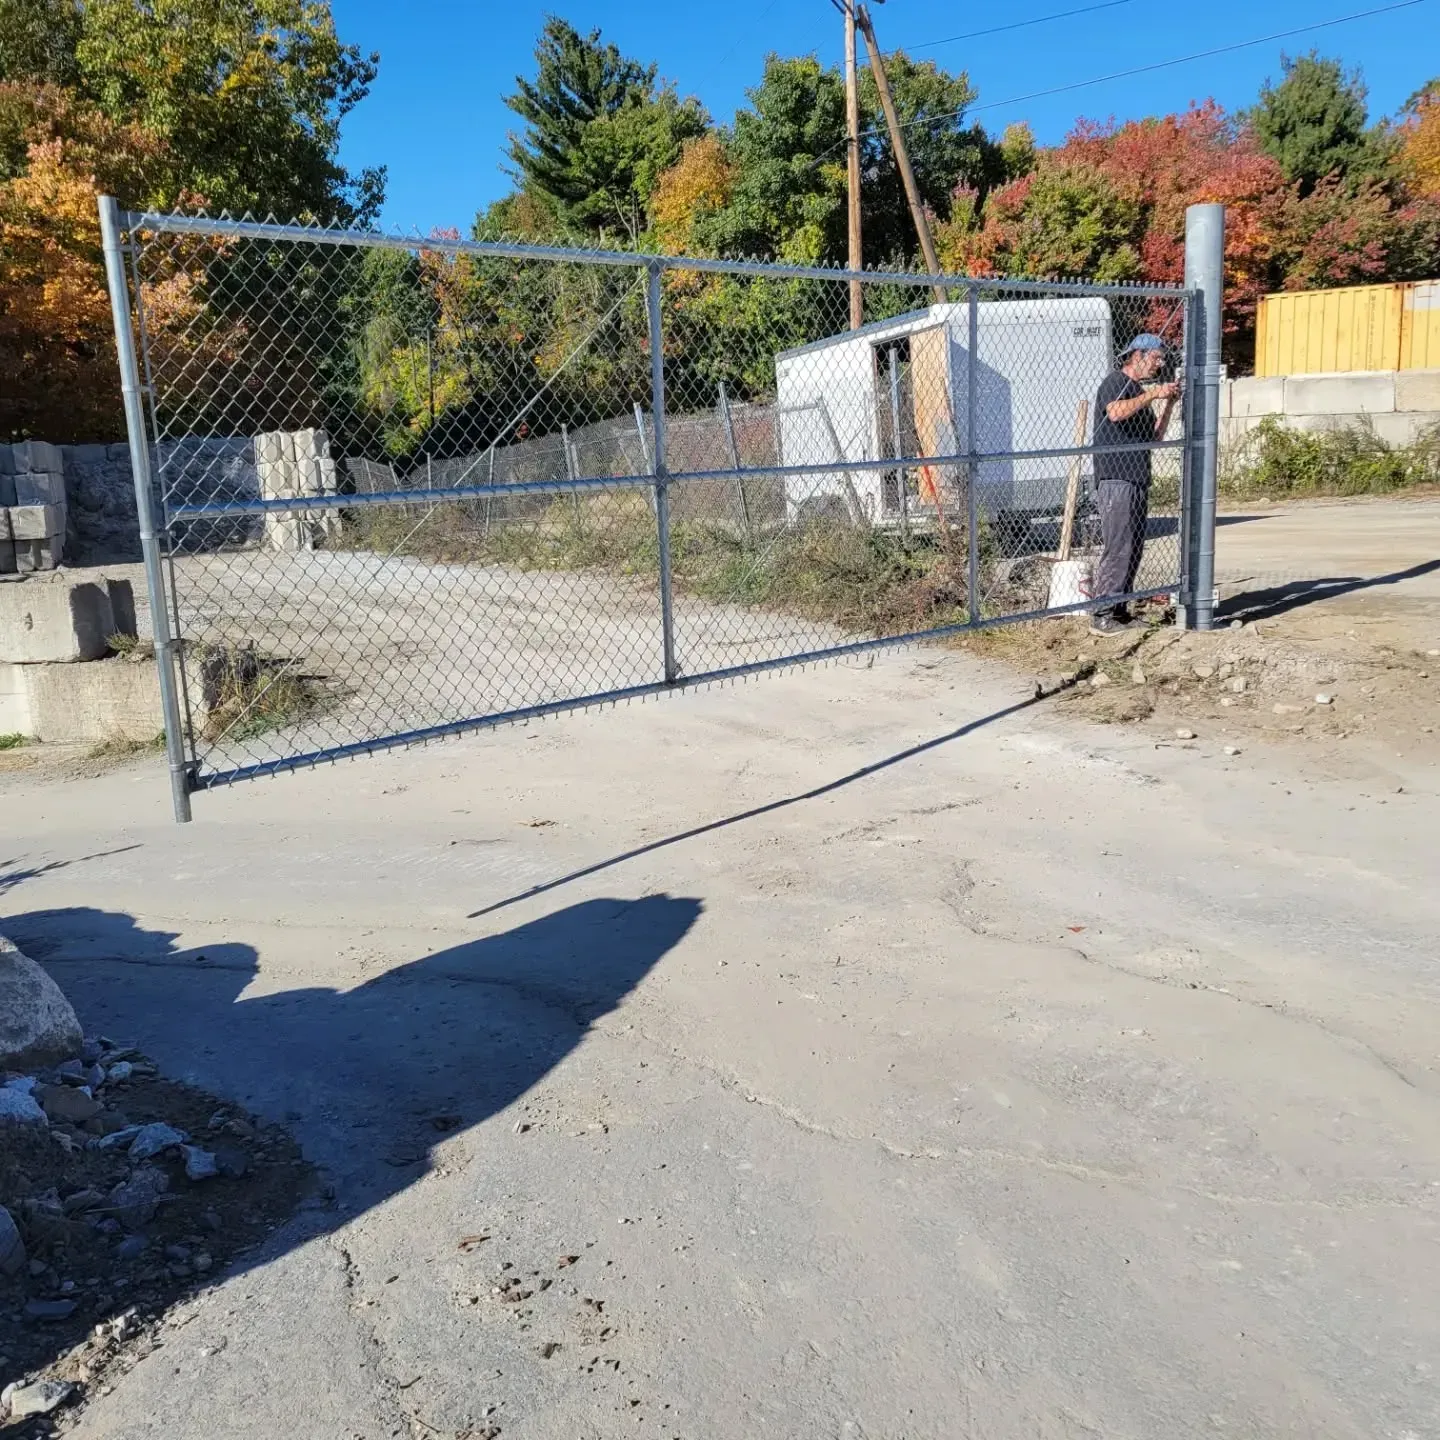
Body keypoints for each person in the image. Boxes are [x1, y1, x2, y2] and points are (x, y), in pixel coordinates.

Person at [1088, 333, 1180, 635]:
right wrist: (1153, 394)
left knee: (1134, 547)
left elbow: (1154, 437)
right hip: (1116, 478)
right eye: (1156, 358)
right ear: (1138, 355)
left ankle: (1120, 610)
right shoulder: (1116, 382)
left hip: (1138, 477)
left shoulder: (1139, 390)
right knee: (1118, 546)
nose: (1160, 363)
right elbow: (1115, 412)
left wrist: (1167, 404)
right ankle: (1102, 614)